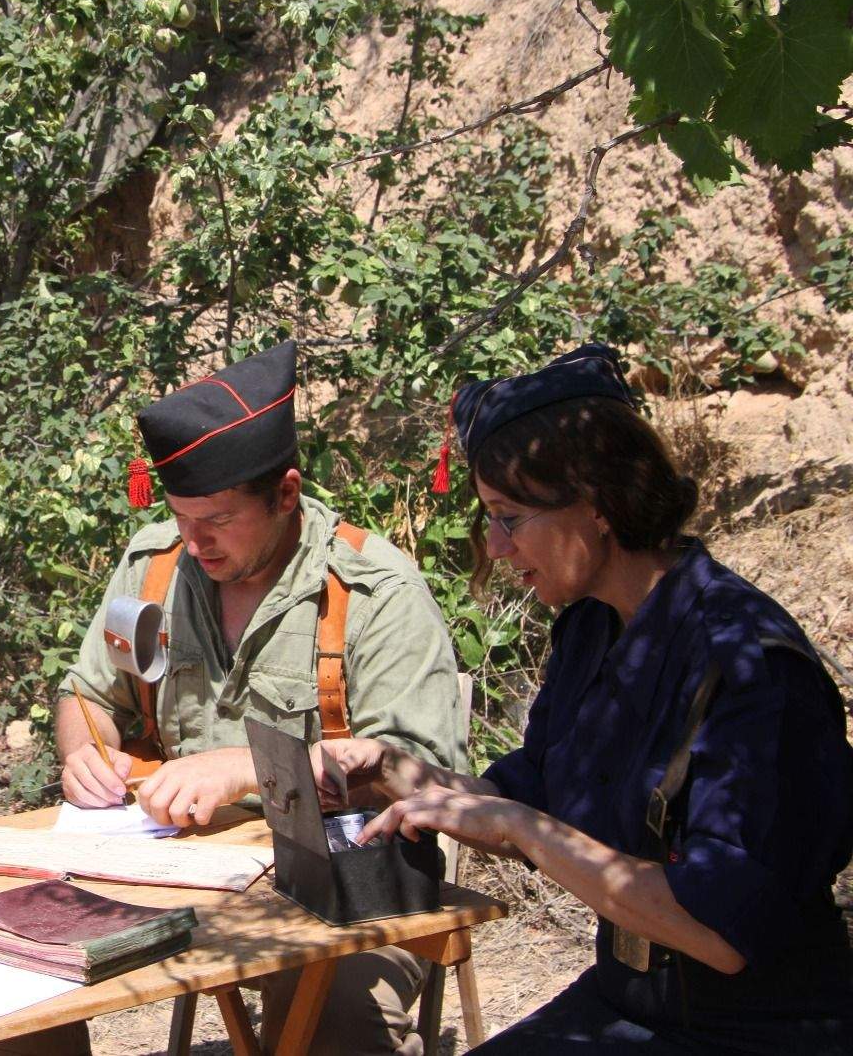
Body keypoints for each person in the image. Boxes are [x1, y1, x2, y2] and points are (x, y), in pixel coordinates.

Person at [317, 343, 853, 1053]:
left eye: (510, 517)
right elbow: (524, 795)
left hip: (758, 1030)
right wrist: (389, 769)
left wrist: (520, 827)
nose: (496, 547)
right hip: (629, 1000)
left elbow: (721, 932)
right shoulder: (592, 628)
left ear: (599, 504)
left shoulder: (748, 664)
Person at [49, 340, 465, 1056]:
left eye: (216, 520)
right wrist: (85, 752)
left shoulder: (374, 593)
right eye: (181, 517)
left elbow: (426, 777)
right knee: (9, 959)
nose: (194, 542)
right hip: (175, 872)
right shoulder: (154, 568)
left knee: (332, 1014)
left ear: (286, 494)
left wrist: (249, 768)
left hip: (341, 884)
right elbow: (88, 695)